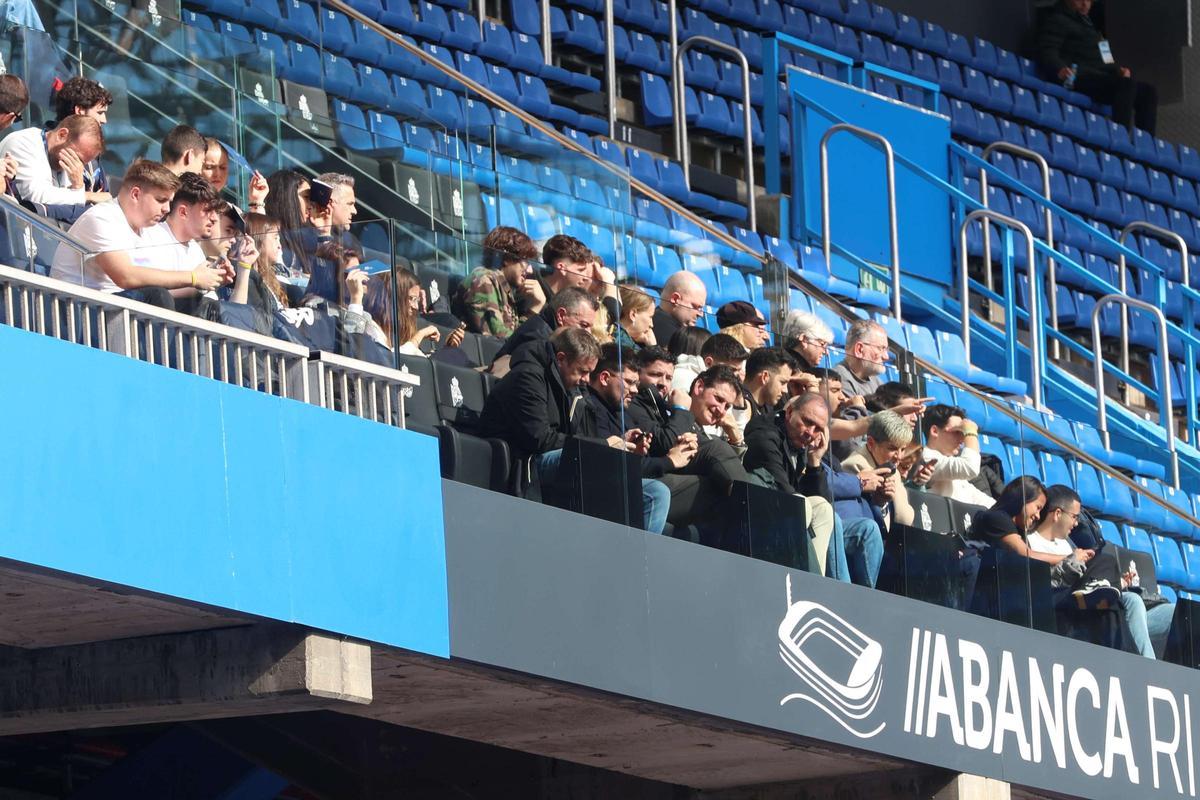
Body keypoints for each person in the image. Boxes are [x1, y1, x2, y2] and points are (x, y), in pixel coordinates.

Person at [743, 392, 884, 587]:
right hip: (757, 514)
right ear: (789, 412)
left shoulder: (802, 443)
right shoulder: (765, 432)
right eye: (807, 422)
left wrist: (814, 461)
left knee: (845, 519)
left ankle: (818, 586)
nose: (811, 432)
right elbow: (784, 492)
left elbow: (821, 500)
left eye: (818, 428)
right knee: (808, 507)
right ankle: (820, 587)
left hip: (794, 516)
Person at [49, 160, 224, 308]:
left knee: (203, 304)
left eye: (169, 202)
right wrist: (193, 277)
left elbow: (160, 284)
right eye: (161, 200)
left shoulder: (148, 231)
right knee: (156, 296)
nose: (167, 209)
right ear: (135, 194)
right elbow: (126, 277)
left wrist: (206, 281)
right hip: (75, 311)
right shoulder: (103, 218)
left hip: (113, 311)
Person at [577, 344, 687, 534]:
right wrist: (669, 461)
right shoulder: (590, 407)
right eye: (629, 382)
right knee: (657, 493)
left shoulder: (621, 411)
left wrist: (634, 451)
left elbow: (626, 461)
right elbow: (606, 464)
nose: (635, 390)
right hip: (589, 492)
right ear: (604, 378)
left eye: (636, 383)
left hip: (622, 484)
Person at [1037, 0, 1156, 134]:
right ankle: (1121, 136)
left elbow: (1108, 60)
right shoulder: (1057, 20)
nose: (1085, 4)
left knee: (1148, 92)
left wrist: (1119, 71)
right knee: (1125, 85)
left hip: (1100, 79)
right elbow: (1048, 51)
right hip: (1078, 77)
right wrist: (1059, 69)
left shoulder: (1095, 30)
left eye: (1088, 0)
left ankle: (1146, 144)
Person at [139, 172, 235, 314]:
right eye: (208, 211)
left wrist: (213, 280)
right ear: (183, 212)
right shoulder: (150, 236)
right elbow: (150, 294)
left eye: (215, 212)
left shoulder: (196, 251)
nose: (214, 219)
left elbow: (208, 306)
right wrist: (195, 279)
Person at [0, 114, 106, 223]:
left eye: (82, 163)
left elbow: (68, 209)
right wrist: (86, 196)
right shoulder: (22, 142)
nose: (78, 166)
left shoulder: (67, 163)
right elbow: (36, 195)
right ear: (62, 135)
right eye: (77, 158)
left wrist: (78, 186)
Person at [452, 225, 543, 339]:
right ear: (506, 258)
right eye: (524, 261)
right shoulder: (484, 280)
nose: (529, 270)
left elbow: (512, 336)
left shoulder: (503, 288)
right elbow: (499, 339)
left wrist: (534, 308)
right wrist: (534, 309)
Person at [489, 287, 598, 377]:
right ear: (561, 316)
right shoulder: (539, 341)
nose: (588, 333)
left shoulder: (546, 331)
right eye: (584, 325)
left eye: (590, 328)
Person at [841, 410, 915, 530]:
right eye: (892, 448)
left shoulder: (890, 468)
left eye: (903, 449)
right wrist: (879, 502)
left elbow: (905, 519)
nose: (899, 456)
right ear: (871, 443)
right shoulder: (854, 465)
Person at [48, 76, 111, 201]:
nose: (104, 120)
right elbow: (43, 198)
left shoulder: (94, 157)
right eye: (99, 113)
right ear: (80, 110)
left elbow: (106, 197)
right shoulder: (48, 146)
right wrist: (87, 195)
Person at [921, 404, 996, 508]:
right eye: (957, 432)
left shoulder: (951, 464)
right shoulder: (925, 457)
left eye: (963, 433)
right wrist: (970, 432)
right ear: (935, 431)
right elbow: (970, 467)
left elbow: (986, 503)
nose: (962, 439)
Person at [968, 476, 1047, 550]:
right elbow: (1028, 556)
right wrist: (1059, 558)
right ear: (1023, 498)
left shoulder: (1019, 531)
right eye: (1038, 508)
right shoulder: (998, 519)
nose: (1038, 516)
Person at [264, 169, 312, 279]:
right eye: (306, 197)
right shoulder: (270, 237)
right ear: (287, 197)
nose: (310, 205)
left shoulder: (304, 238)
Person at [200, 136, 269, 212]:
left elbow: (257, 224)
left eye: (222, 168)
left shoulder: (232, 212)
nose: (217, 174)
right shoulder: (187, 207)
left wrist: (257, 201)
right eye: (209, 167)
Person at [833, 319, 890, 400]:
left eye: (886, 349)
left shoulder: (875, 381)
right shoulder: (839, 380)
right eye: (881, 348)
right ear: (859, 350)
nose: (886, 357)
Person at [652, 270, 706, 345]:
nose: (701, 314)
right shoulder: (674, 338)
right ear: (675, 299)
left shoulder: (652, 322)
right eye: (696, 307)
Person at [535, 234, 594, 301]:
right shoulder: (532, 298)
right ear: (561, 268)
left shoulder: (566, 301)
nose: (586, 278)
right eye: (580, 270)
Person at [742, 347, 794, 420]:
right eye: (782, 382)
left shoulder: (767, 406)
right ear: (765, 377)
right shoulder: (741, 405)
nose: (785, 390)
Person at [614, 285, 656, 351]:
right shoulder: (623, 345)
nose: (651, 325)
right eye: (650, 317)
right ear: (633, 314)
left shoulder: (615, 334)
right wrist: (653, 348)